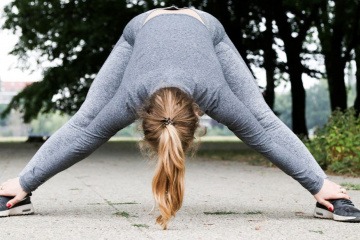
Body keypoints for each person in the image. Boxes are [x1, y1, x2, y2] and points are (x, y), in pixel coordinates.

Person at [0, 6, 359, 229]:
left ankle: (324, 195)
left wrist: (318, 183)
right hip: (139, 30)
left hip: (206, 28)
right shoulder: (132, 94)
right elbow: (81, 133)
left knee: (259, 115)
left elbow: (264, 128)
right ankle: (23, 196)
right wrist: (25, 182)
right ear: (198, 121)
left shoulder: (212, 90)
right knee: (88, 117)